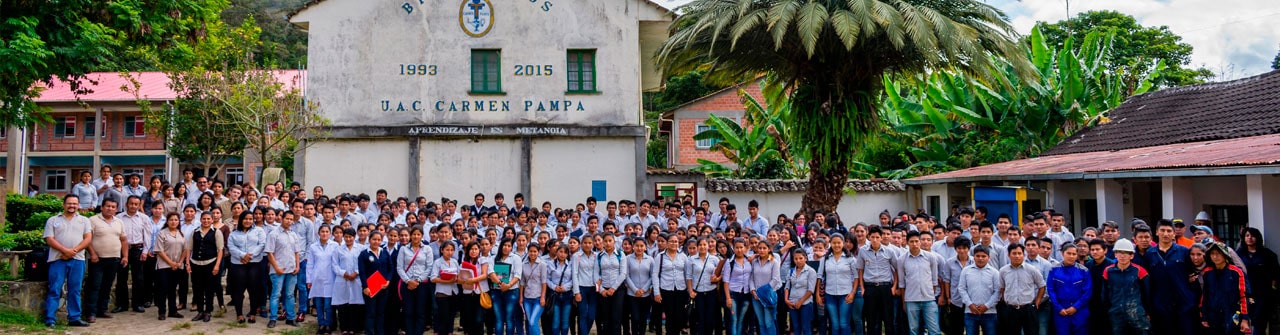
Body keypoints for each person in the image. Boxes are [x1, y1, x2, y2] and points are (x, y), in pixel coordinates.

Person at [43, 194, 93, 327]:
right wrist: (65, 251)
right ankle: (50, 319)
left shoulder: (84, 220)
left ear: (78, 205)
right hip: (57, 259)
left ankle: (74, 318)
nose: (72, 206)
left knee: (75, 289)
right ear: (63, 204)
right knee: (54, 289)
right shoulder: (53, 220)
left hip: (77, 259)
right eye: (69, 203)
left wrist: (73, 251)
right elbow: (49, 239)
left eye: (75, 204)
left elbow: (88, 239)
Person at [85, 198, 127, 323]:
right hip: (97, 260)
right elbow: (87, 239)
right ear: (102, 207)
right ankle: (90, 313)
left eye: (113, 207)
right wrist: (92, 254)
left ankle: (102, 310)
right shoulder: (93, 220)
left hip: (114, 259)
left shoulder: (119, 222)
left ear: (116, 209)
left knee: (107, 286)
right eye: (108, 206)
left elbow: (124, 240)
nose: (110, 209)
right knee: (94, 286)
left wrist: (125, 256)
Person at [1201, 242, 1252, 335]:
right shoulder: (1207, 273)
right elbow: (1205, 296)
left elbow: (1244, 296)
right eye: (1212, 254)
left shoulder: (1236, 272)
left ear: (1225, 255)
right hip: (1213, 315)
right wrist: (1204, 316)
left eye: (1218, 253)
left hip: (1232, 314)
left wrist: (1245, 319)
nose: (1215, 257)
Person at [1103, 238, 1151, 335]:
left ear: (1132, 255)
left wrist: (1148, 312)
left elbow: (1147, 294)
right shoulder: (1108, 271)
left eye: (1126, 253)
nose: (1122, 256)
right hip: (1116, 314)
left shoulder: (1140, 271)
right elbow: (1104, 295)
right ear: (1115, 254)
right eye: (1119, 252)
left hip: (1138, 314)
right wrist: (1109, 311)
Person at [897, 231, 941, 335]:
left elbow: (934, 280)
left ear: (920, 242)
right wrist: (904, 301)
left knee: (934, 329)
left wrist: (930, 294)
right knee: (913, 330)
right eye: (911, 241)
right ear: (907, 243)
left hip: (929, 299)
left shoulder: (930, 257)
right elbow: (902, 283)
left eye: (917, 241)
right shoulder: (902, 259)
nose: (915, 244)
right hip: (911, 299)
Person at [1237, 227, 1278, 335]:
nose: (1250, 238)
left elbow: (1275, 274)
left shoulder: (1268, 254)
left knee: (1260, 320)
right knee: (1248, 318)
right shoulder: (1239, 254)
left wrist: (1272, 289)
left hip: (1263, 292)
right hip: (1245, 292)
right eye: (1247, 235)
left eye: (1252, 235)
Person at [266, 211, 303, 329]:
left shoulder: (293, 234)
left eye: (291, 219)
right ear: (282, 218)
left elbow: (297, 252)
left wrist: (297, 266)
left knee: (290, 295)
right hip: (278, 270)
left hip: (291, 269)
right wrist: (276, 267)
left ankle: (290, 318)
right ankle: (273, 318)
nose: (289, 221)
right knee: (276, 294)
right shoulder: (274, 234)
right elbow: (269, 253)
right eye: (287, 218)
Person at [228, 211, 266, 324]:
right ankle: (239, 314)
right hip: (238, 264)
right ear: (241, 220)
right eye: (245, 219)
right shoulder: (234, 233)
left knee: (253, 289)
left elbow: (262, 244)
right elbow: (231, 246)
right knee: (238, 290)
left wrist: (250, 256)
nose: (248, 221)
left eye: (250, 219)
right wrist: (242, 255)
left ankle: (253, 313)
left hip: (254, 263)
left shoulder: (259, 231)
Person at [998, 243, 1045, 335]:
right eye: (1014, 253)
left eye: (1019, 253)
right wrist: (1006, 300)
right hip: (1011, 309)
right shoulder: (1003, 271)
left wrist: (1037, 302)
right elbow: (1002, 288)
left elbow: (1042, 286)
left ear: (1024, 255)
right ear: (1009, 255)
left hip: (1028, 308)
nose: (1017, 256)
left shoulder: (1032, 270)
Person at [185, 212, 224, 322]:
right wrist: (188, 263)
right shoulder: (195, 232)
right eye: (204, 219)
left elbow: (220, 250)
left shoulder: (216, 232)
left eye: (208, 219)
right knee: (197, 289)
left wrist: (217, 265)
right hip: (196, 264)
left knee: (209, 289)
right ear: (201, 219)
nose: (206, 221)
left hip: (210, 263)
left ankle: (208, 311)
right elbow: (189, 248)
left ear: (212, 220)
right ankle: (200, 311)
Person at [116, 196, 151, 314]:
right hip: (123, 250)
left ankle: (138, 304)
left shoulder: (144, 218)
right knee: (121, 278)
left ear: (139, 205)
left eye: (136, 204)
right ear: (127, 204)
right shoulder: (119, 218)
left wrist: (145, 251)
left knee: (138, 278)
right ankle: (122, 304)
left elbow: (147, 235)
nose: (133, 206)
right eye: (131, 204)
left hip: (138, 249)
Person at [858, 226, 896, 335]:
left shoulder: (889, 251)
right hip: (870, 287)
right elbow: (860, 270)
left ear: (881, 238)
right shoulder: (863, 251)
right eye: (872, 237)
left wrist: (894, 287)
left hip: (885, 287)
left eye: (877, 237)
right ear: (869, 237)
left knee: (888, 318)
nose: (875, 239)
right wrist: (863, 287)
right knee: (871, 318)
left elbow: (896, 269)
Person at [1047, 243, 1090, 335]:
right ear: (1063, 253)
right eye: (1068, 253)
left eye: (1074, 254)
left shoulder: (1084, 271)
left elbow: (1087, 292)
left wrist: (1075, 307)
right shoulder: (1054, 270)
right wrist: (1058, 307)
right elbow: (1051, 290)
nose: (1071, 256)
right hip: (1061, 310)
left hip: (1079, 310)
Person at [958, 245, 1001, 335]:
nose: (980, 258)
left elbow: (997, 291)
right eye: (978, 256)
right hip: (970, 312)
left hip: (990, 312)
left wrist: (987, 305)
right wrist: (970, 304)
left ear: (989, 257)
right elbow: (962, 289)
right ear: (973, 257)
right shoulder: (966, 271)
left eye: (983, 256)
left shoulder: (994, 272)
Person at [398, 227, 434, 335]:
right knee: (408, 311)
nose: (416, 236)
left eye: (418, 234)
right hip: (407, 284)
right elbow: (399, 267)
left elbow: (429, 267)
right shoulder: (403, 249)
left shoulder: (427, 249)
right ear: (410, 235)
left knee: (420, 312)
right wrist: (408, 281)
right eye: (413, 234)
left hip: (422, 285)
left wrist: (418, 280)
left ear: (422, 236)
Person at [653, 234, 688, 335]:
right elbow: (655, 275)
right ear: (667, 243)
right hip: (666, 290)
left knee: (679, 316)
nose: (674, 243)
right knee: (669, 316)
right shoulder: (660, 256)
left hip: (681, 290)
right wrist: (656, 292)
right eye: (671, 241)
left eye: (676, 242)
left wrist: (689, 290)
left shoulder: (683, 256)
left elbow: (687, 274)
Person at [334, 227, 367, 335]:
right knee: (343, 305)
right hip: (342, 279)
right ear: (343, 237)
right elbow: (334, 265)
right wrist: (344, 273)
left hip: (356, 280)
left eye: (350, 237)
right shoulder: (338, 249)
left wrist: (356, 272)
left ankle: (354, 328)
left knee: (355, 305)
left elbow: (363, 264)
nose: (348, 239)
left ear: (354, 237)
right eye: (346, 237)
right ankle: (344, 328)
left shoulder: (361, 248)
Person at [359, 231, 393, 335]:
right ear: (369, 240)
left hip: (383, 287)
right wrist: (365, 287)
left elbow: (391, 268)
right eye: (374, 239)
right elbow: (362, 272)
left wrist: (388, 280)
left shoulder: (384, 252)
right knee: (370, 313)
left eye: (379, 240)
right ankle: (369, 332)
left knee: (380, 313)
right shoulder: (364, 254)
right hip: (370, 288)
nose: (376, 242)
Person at [687, 237, 721, 335]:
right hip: (698, 293)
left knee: (710, 318)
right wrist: (690, 291)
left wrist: (717, 279)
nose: (702, 247)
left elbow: (721, 273)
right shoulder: (691, 259)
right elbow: (688, 277)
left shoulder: (714, 259)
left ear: (708, 246)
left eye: (704, 245)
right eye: (700, 245)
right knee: (700, 318)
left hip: (711, 291)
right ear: (697, 246)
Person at [489, 238, 524, 335]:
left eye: (509, 246)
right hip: (496, 291)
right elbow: (491, 273)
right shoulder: (493, 258)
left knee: (509, 318)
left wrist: (508, 285)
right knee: (498, 319)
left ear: (512, 248)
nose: (506, 247)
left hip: (511, 291)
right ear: (501, 246)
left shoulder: (516, 258)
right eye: (504, 245)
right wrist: (501, 284)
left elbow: (517, 275)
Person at [596, 234, 627, 335]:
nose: (608, 243)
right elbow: (596, 275)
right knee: (605, 318)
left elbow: (623, 273)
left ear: (614, 241)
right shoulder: (599, 256)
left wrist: (613, 288)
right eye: (605, 241)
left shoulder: (620, 254)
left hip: (618, 290)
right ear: (603, 242)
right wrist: (601, 290)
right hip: (603, 290)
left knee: (616, 317)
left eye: (610, 241)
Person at [750, 239, 782, 335]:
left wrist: (762, 292)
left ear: (769, 249)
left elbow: (775, 279)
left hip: (768, 296)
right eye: (760, 248)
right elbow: (751, 277)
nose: (762, 250)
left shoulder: (774, 262)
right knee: (761, 322)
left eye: (764, 248)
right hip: (755, 297)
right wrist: (753, 290)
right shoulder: (754, 262)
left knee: (769, 322)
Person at [722, 237, 753, 335]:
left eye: (741, 247)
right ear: (733, 248)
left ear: (745, 248)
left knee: (741, 319)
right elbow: (726, 281)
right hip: (733, 294)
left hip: (746, 294)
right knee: (734, 319)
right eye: (737, 247)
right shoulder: (730, 262)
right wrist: (727, 298)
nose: (739, 250)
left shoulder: (749, 260)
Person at [624, 238, 655, 335]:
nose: (639, 248)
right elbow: (626, 276)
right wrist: (635, 290)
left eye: (642, 246)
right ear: (633, 246)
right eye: (637, 246)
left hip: (645, 295)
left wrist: (644, 289)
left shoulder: (650, 259)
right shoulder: (628, 259)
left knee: (643, 318)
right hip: (632, 294)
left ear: (645, 247)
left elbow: (652, 276)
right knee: (635, 318)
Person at [430, 241, 460, 335]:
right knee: (444, 317)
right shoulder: (437, 262)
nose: (449, 252)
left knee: (451, 316)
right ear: (442, 250)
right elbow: (433, 278)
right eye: (447, 250)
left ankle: (450, 332)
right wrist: (447, 281)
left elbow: (458, 276)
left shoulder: (454, 261)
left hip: (454, 292)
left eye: (452, 250)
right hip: (442, 293)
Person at [785, 250, 818, 335]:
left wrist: (800, 302)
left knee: (805, 327)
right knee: (796, 327)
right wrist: (786, 300)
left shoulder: (811, 271)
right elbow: (787, 287)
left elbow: (811, 290)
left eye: (800, 258)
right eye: (796, 259)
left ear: (805, 259)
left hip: (806, 303)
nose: (798, 260)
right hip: (792, 302)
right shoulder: (791, 271)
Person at [522, 243, 547, 335]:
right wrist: (521, 297)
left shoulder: (542, 265)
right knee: (529, 322)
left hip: (538, 298)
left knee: (532, 322)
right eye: (530, 251)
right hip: (527, 298)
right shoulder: (524, 264)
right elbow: (522, 282)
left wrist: (543, 297)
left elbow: (544, 282)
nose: (532, 253)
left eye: (535, 251)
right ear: (527, 252)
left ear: (539, 252)